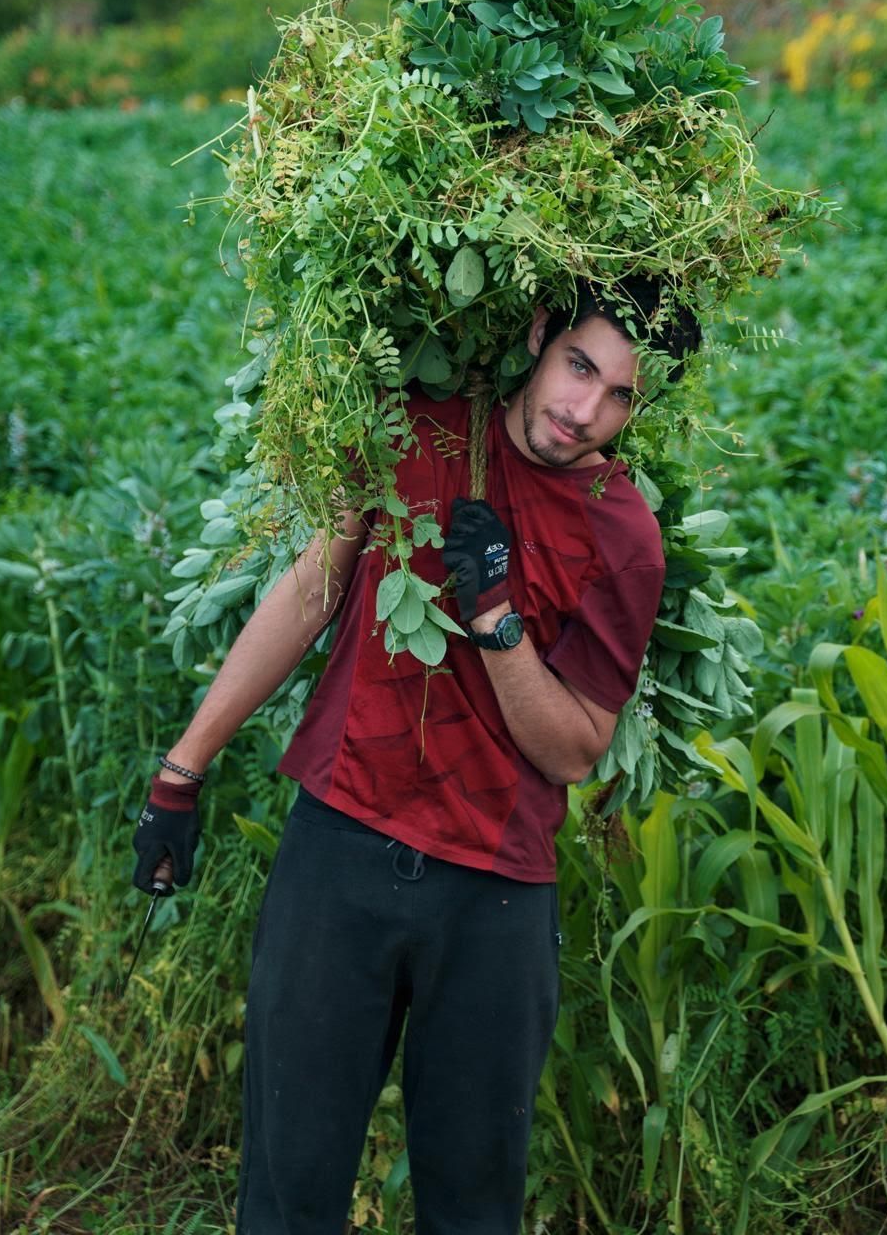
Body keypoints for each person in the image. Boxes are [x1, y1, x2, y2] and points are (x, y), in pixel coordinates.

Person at [132, 277, 701, 1235]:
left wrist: (496, 621)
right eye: (578, 367)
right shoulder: (420, 431)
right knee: (287, 1189)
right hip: (341, 851)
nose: (583, 412)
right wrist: (180, 774)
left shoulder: (623, 532)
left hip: (495, 892)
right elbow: (312, 589)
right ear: (538, 335)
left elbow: (577, 747)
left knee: (474, 1206)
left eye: (620, 397)